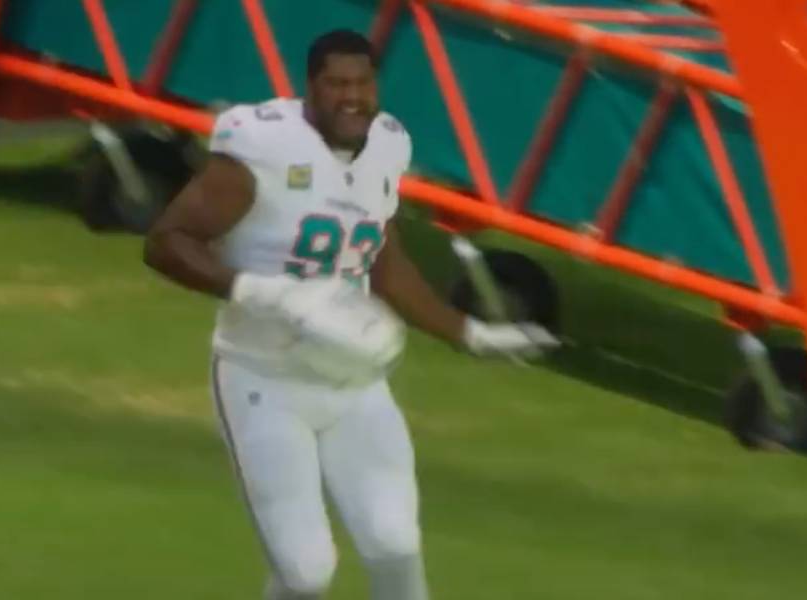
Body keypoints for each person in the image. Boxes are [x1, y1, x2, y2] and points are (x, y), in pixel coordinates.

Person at [143, 29, 558, 600]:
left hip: (354, 378)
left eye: (362, 83)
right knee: (306, 571)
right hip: (263, 378)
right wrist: (261, 292)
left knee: (395, 545)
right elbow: (166, 242)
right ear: (310, 87)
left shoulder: (387, 145)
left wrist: (470, 333)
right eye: (337, 84)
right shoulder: (263, 146)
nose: (352, 97)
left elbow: (382, 259)